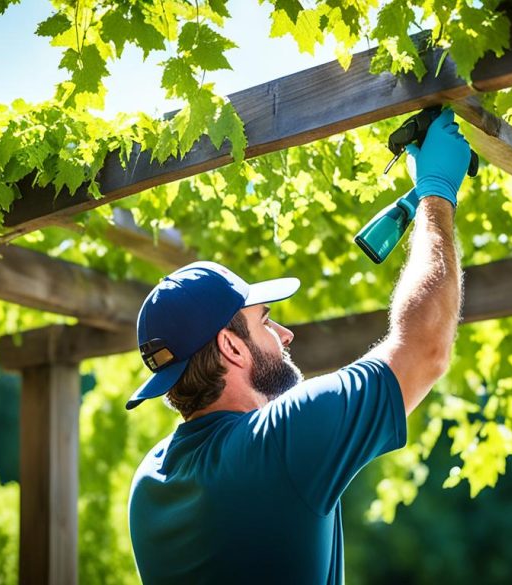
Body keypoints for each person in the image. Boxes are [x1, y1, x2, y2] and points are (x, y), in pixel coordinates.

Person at [126, 108, 470, 584]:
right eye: (265, 321)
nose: (285, 335)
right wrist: (436, 193)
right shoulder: (278, 444)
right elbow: (425, 347)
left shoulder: (150, 484)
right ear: (231, 347)